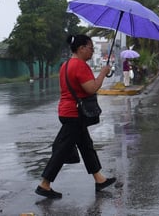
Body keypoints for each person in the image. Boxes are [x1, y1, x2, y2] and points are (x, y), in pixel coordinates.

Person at [35, 34, 116, 199]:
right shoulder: (79, 65)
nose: (92, 51)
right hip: (74, 114)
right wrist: (102, 73)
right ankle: (44, 184)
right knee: (62, 150)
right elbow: (91, 88)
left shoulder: (65, 65)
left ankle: (99, 179)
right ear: (81, 48)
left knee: (86, 145)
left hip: (67, 111)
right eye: (90, 48)